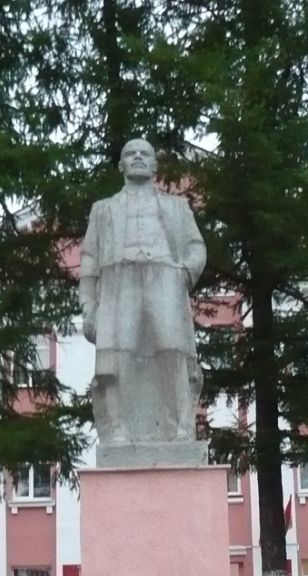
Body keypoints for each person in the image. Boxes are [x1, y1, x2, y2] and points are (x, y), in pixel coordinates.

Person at [79, 139, 207, 448]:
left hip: (164, 279)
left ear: (154, 165)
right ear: (121, 165)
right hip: (117, 285)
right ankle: (119, 429)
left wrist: (182, 273)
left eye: (144, 153)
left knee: (172, 351)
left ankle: (180, 429)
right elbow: (89, 259)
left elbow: (195, 246)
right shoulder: (103, 210)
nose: (137, 157)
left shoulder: (177, 207)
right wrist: (88, 305)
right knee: (115, 356)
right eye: (130, 153)